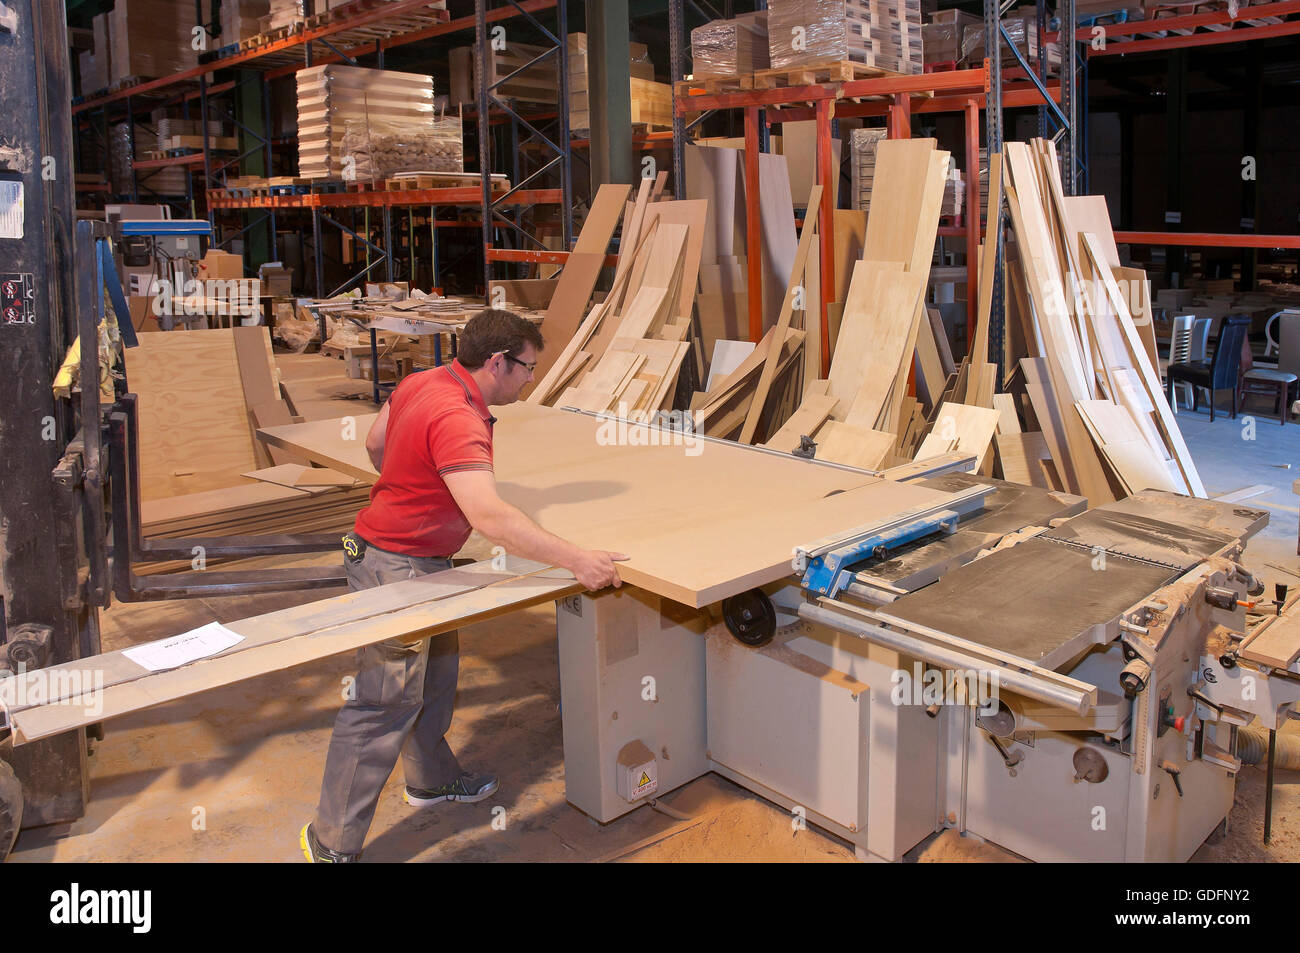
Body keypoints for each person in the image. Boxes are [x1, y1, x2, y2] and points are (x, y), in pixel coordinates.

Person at [301, 309, 627, 862]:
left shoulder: (422, 381)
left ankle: (430, 780)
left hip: (416, 560)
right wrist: (577, 559)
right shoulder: (458, 417)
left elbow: (377, 446)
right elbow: (491, 519)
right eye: (526, 368)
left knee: (434, 678)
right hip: (396, 568)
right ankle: (330, 843)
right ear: (497, 361)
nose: (530, 379)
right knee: (381, 705)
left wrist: (411, 487)